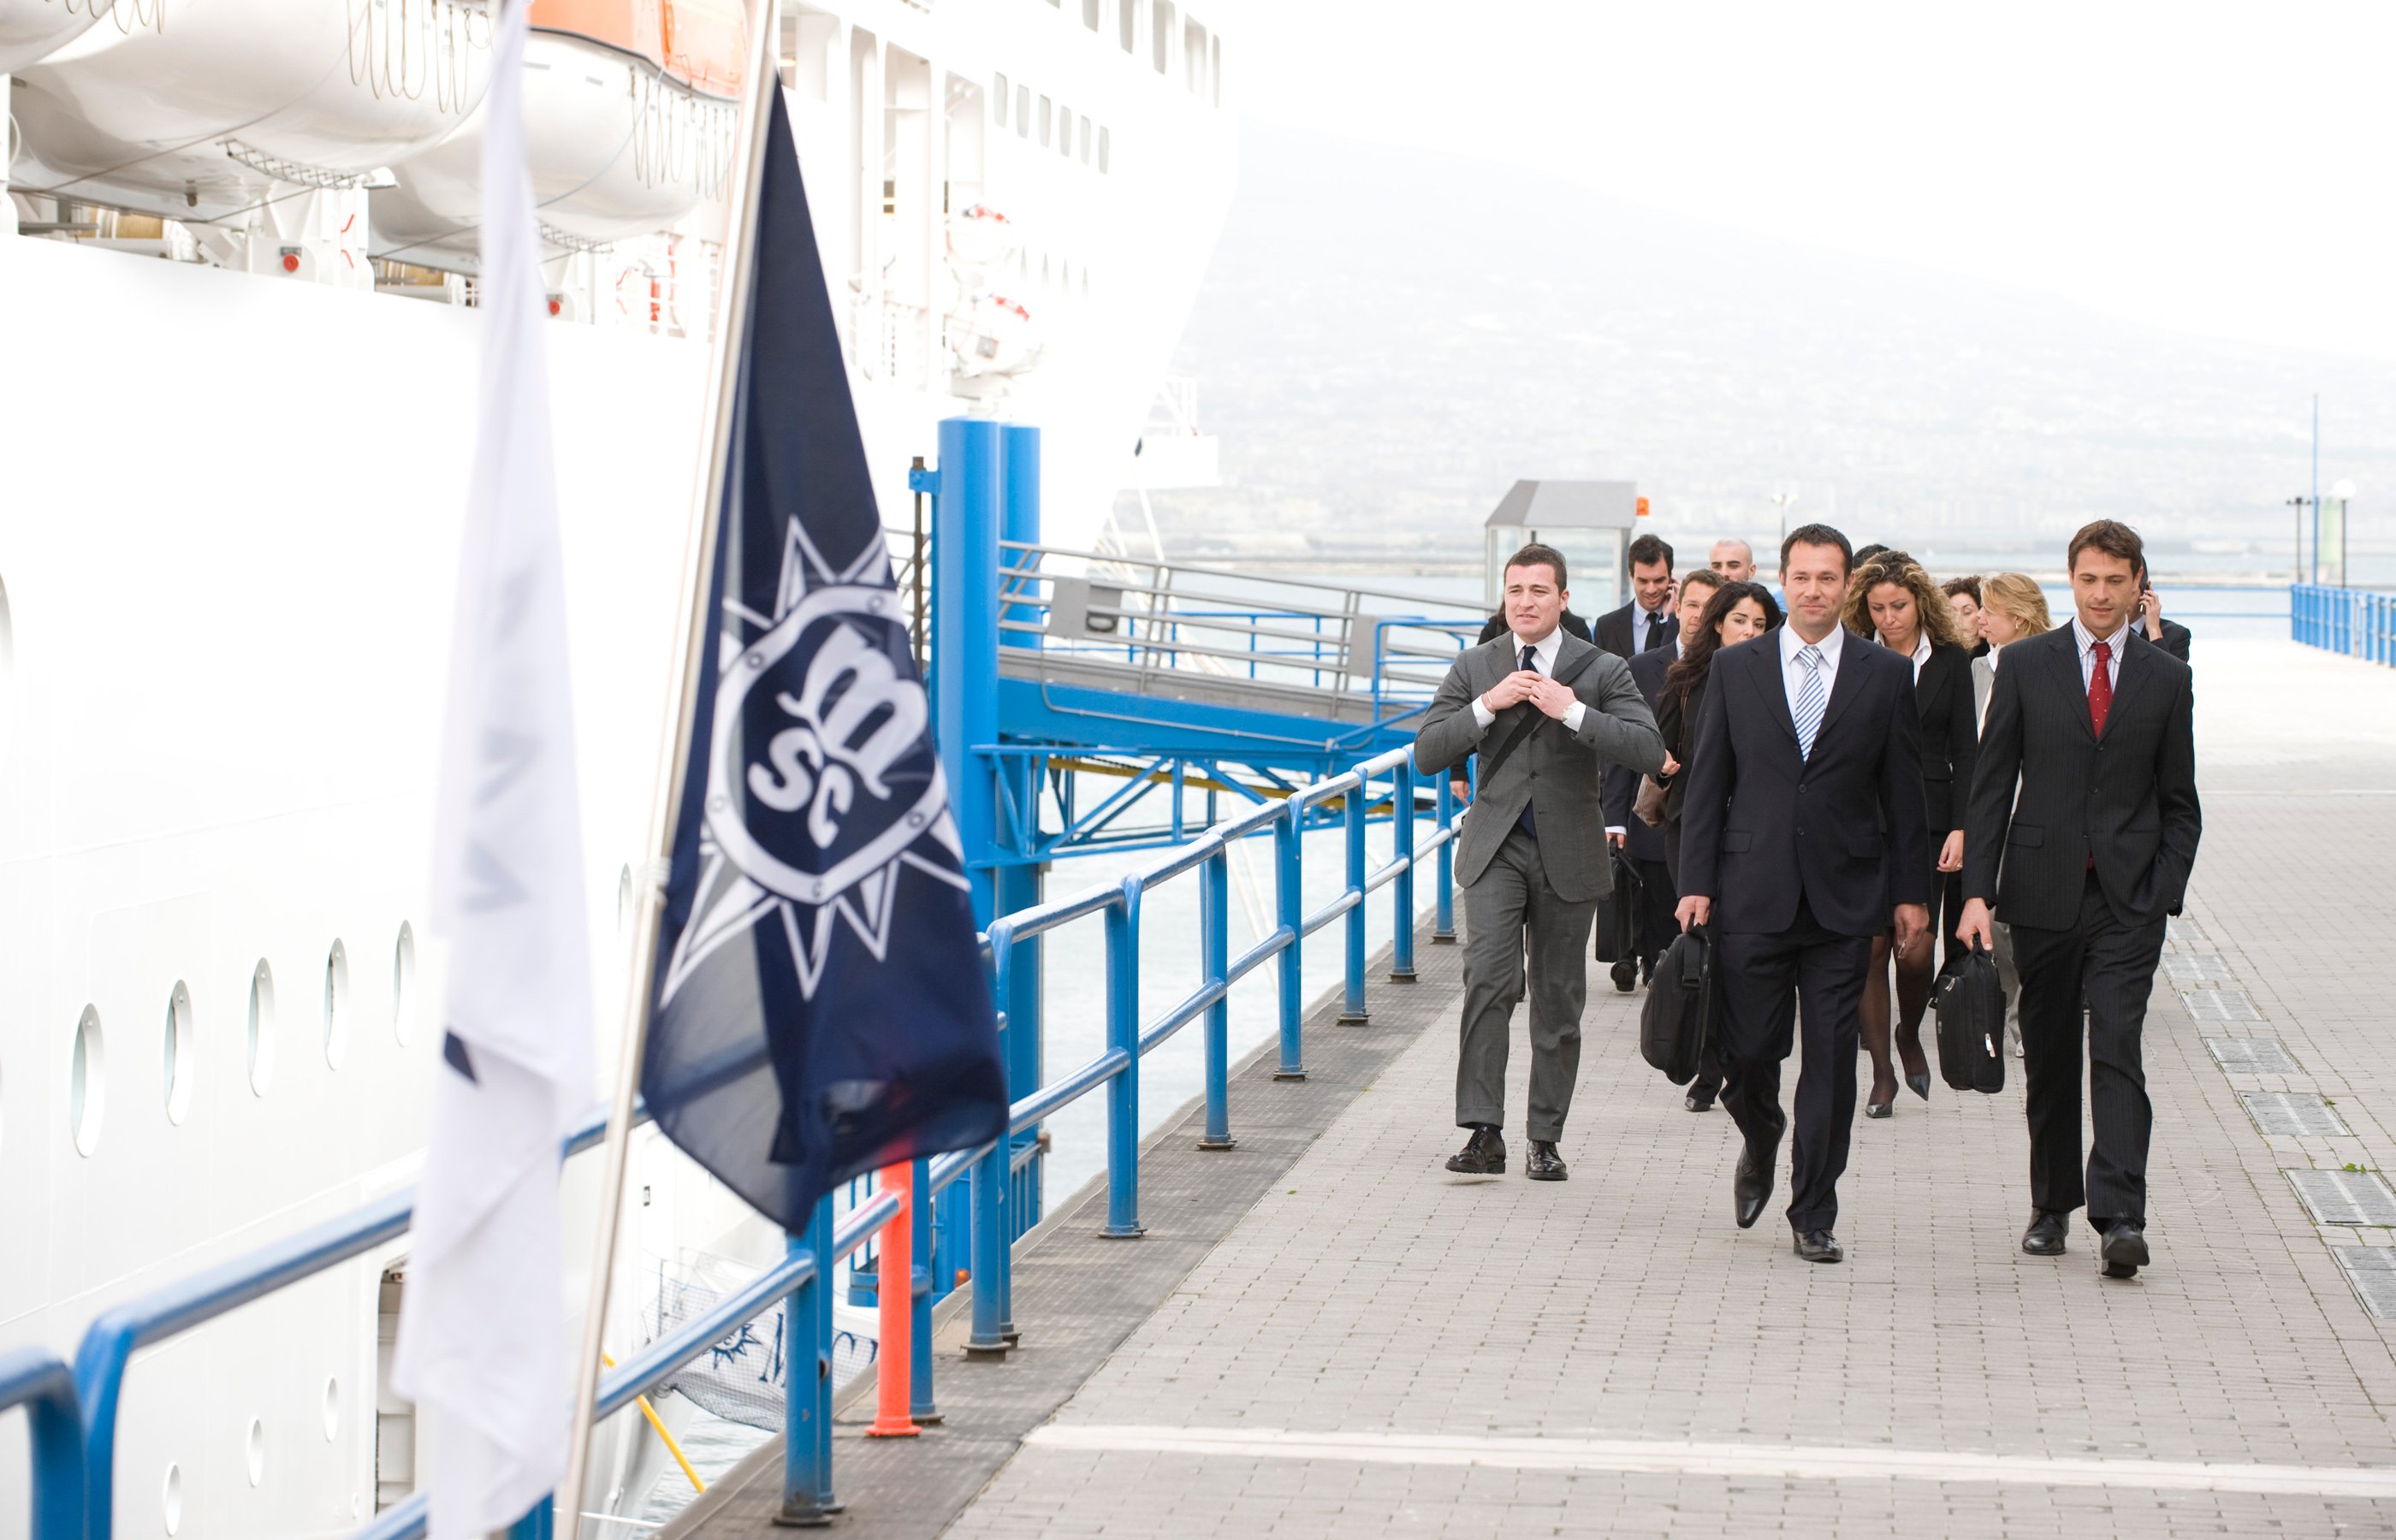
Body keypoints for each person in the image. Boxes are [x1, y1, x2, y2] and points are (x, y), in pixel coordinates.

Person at [1675, 524, 1930, 1264]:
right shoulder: (1738, 668)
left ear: (1847, 584)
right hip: (1750, 892)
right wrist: (1694, 883)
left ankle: (1814, 1208)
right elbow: (1708, 782)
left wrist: (1910, 893)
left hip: (1846, 899)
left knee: (1830, 1061)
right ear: (1783, 581)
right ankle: (1760, 1137)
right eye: (1802, 576)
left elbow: (1904, 795)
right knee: (1751, 1052)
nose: (1814, 590)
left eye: (1828, 577)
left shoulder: (1884, 677)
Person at [1959, 522, 2200, 1281]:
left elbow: (2181, 801)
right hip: (2040, 892)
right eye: (2089, 580)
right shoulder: (2027, 665)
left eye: (2115, 581)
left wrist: (2163, 888)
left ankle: (2122, 1215)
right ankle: (2050, 1206)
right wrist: (1975, 894)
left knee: (2118, 1047)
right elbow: (1993, 785)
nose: (2101, 595)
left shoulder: (2165, 677)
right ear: (2072, 581)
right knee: (2054, 1052)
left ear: (2138, 585)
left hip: (2129, 899)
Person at [1414, 543, 1668, 1182]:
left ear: (1562, 599)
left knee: (1558, 999)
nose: (1525, 602)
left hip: (1571, 851)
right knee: (1488, 980)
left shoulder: (1602, 667)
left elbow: (1647, 748)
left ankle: (1545, 1138)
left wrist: (1572, 710)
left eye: (1538, 591)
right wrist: (1486, 705)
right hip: (1495, 847)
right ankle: (1483, 1131)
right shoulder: (1476, 666)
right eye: (1515, 590)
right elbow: (1427, 753)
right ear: (1505, 598)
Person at [1840, 553, 1977, 1117]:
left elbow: (1969, 751)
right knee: (1871, 947)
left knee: (1917, 949)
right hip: (1863, 817)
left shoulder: (1951, 662)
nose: (1890, 618)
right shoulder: (1854, 658)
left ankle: (1909, 1031)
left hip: (1931, 818)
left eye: (1899, 607)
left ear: (1921, 603)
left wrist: (1966, 826)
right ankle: (1879, 1073)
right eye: (1877, 609)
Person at [1652, 579, 1781, 1112]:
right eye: (1739, 621)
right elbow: (1656, 746)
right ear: (1718, 625)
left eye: (1759, 623)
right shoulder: (1689, 679)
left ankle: (1740, 1062)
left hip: (1757, 837)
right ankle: (1706, 1068)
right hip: (1694, 830)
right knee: (1702, 951)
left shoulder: (1780, 680)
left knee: (1742, 955)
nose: (1749, 631)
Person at [1602, 569, 1725, 988]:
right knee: (1658, 933)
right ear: (1676, 606)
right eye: (1692, 604)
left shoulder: (1735, 668)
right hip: (1656, 820)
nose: (1698, 615)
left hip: (1717, 822)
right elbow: (1620, 746)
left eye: (1710, 608)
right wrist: (1613, 818)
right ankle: (1663, 1005)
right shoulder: (1641, 668)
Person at [1972, 572, 2053, 1055]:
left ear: (2018, 618)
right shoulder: (1980, 669)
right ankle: (2007, 1013)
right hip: (1988, 812)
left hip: (2033, 813)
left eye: (1989, 610)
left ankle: (2028, 1020)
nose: (1980, 618)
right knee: (1993, 921)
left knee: (2025, 922)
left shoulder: (2049, 668)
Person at [1595, 534, 1677, 657]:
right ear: (1631, 576)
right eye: (1643, 581)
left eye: (1659, 580)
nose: (1651, 590)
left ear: (1671, 579)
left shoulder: (1682, 624)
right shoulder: (1606, 627)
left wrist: (1670, 619)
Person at [2138, 578, 2192, 662]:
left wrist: (2154, 630)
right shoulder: (2110, 630)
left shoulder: (2176, 635)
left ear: (2147, 590)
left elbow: (2171, 675)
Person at [1943, 575, 1987, 658]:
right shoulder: (1940, 655)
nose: (1958, 619)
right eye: (1952, 612)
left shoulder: (1994, 654)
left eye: (1967, 612)